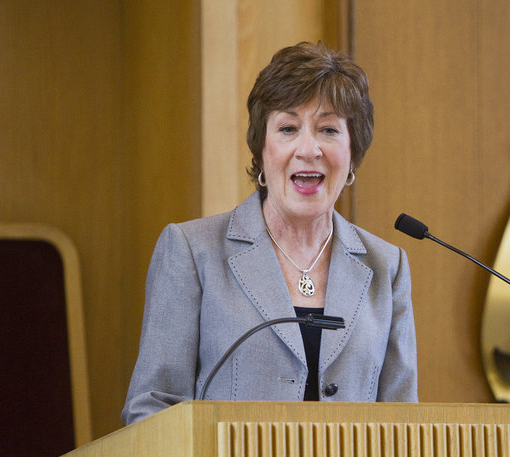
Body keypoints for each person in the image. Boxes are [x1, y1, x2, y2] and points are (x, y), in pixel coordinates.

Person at [122, 42, 418, 425]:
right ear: (262, 150)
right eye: (288, 128)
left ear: (352, 155)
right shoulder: (193, 252)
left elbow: (405, 426)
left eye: (328, 129)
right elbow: (152, 409)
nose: (308, 149)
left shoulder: (386, 267)